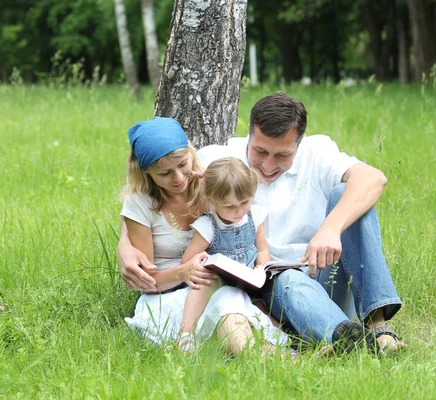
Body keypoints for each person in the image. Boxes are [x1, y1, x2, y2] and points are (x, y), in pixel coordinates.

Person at [119, 93, 404, 353]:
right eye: (260, 152)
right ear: (249, 136)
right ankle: (347, 341)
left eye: (282, 155)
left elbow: (373, 178)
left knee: (350, 196)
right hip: (270, 289)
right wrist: (125, 243)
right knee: (289, 278)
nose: (268, 166)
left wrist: (331, 227)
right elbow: (150, 199)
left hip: (322, 274)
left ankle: (378, 325)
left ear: (300, 143)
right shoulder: (217, 160)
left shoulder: (318, 153)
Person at [120, 116, 288, 355]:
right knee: (224, 301)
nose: (178, 178)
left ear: (190, 153)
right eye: (165, 173)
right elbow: (147, 282)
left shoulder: (210, 183)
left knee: (228, 299)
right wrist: (183, 272)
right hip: (168, 297)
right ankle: (280, 359)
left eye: (182, 164)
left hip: (218, 287)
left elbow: (245, 209)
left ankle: (280, 357)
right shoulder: (140, 205)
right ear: (146, 172)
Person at [177, 157, 272, 352]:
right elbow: (188, 259)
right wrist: (200, 260)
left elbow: (262, 249)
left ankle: (281, 342)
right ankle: (186, 335)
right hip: (218, 281)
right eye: (229, 206)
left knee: (265, 305)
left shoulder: (255, 217)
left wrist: (261, 268)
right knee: (202, 287)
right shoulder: (209, 226)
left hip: (248, 280)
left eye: (244, 202)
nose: (238, 211)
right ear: (212, 200)